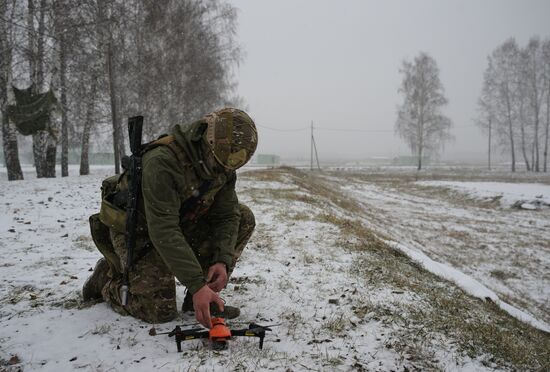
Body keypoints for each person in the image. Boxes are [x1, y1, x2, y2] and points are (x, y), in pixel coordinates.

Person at [82, 108, 258, 329]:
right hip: (138, 231)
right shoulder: (162, 162)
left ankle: (200, 299)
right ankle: (106, 282)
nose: (223, 170)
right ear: (207, 142)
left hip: (179, 224)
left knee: (244, 218)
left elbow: (227, 215)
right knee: (158, 312)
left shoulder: (222, 164)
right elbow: (163, 230)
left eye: (230, 166)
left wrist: (222, 260)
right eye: (219, 162)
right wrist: (195, 283)